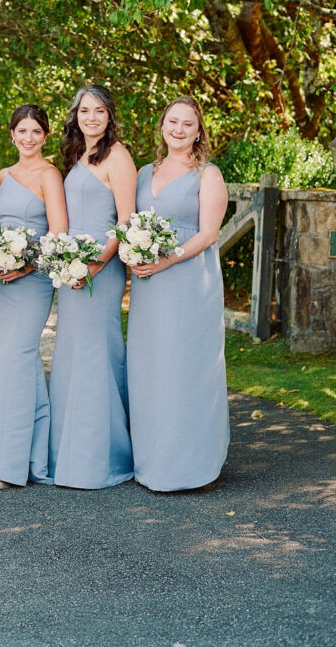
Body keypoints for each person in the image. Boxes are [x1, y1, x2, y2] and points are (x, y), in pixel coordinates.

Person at [127, 95, 230, 491]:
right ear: (162, 125)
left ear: (198, 130)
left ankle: (192, 467)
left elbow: (208, 234)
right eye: (173, 121)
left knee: (185, 367)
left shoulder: (207, 174)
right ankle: (154, 462)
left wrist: (167, 260)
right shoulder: (142, 172)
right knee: (151, 367)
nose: (179, 129)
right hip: (149, 284)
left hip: (189, 281)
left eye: (188, 123)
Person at [48, 85, 136, 489]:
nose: (92, 118)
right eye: (85, 111)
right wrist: (68, 262)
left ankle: (104, 457)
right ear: (76, 115)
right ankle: (69, 453)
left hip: (101, 266)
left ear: (109, 116)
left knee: (98, 350)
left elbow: (126, 219)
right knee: (71, 351)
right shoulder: (75, 155)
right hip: (71, 269)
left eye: (99, 111)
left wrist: (96, 263)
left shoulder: (117, 156)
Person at [0, 105, 68, 489]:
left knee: (14, 359)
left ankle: (4, 464)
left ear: (45, 136)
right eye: (22, 131)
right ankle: (32, 456)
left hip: (32, 280)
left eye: (36, 132)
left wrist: (27, 265)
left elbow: (58, 230)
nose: (28, 138)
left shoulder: (50, 175)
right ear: (11, 134)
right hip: (1, 281)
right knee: (15, 362)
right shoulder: (1, 176)